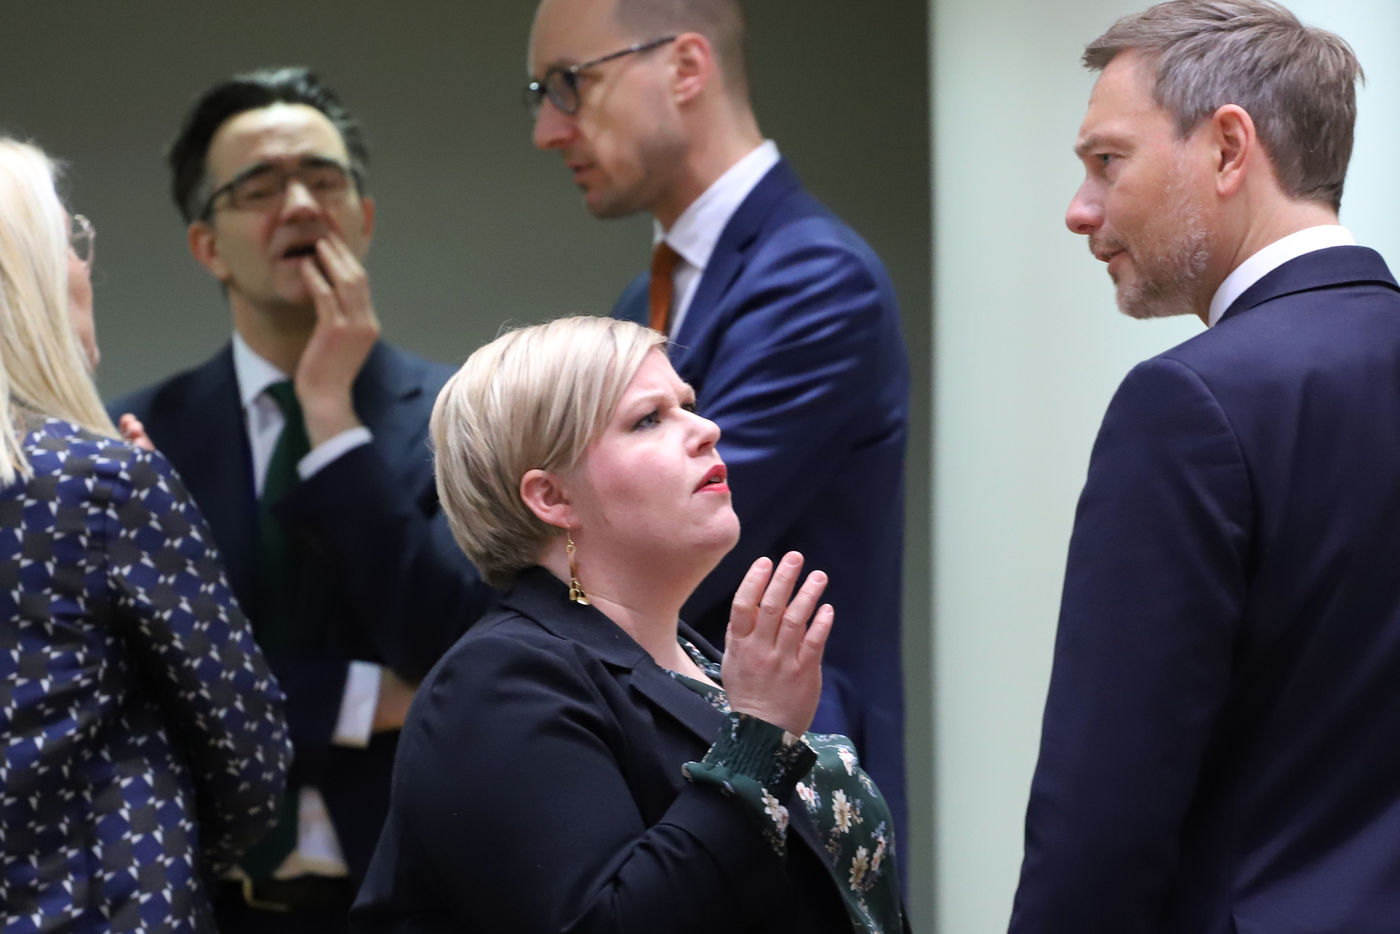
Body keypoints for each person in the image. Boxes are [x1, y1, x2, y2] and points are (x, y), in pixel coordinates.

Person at [1008, 2, 1400, 932]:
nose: (1080, 210)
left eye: (1108, 161)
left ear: (1228, 148)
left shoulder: (1186, 405)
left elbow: (1103, 815)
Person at [351, 315, 906, 933]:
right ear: (552, 497)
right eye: (649, 419)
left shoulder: (705, 663)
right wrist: (759, 735)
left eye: (688, 405)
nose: (706, 429)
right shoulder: (500, 683)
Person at [110, 68, 495, 929]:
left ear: (364, 217)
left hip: (407, 895)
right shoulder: (133, 435)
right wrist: (359, 700)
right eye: (259, 187)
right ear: (207, 245)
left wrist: (331, 419)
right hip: (193, 898)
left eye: (324, 180)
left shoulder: (467, 416)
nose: (299, 204)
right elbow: (138, 685)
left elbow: (458, 650)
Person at [526, 0, 911, 844]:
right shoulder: (647, 294)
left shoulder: (815, 279)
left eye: (569, 84)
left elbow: (643, 551)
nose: (548, 130)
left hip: (792, 801)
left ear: (686, 67)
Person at [0, 137, 291, 930]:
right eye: (71, 238)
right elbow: (251, 757)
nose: (84, 264)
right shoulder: (103, 484)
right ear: (31, 276)